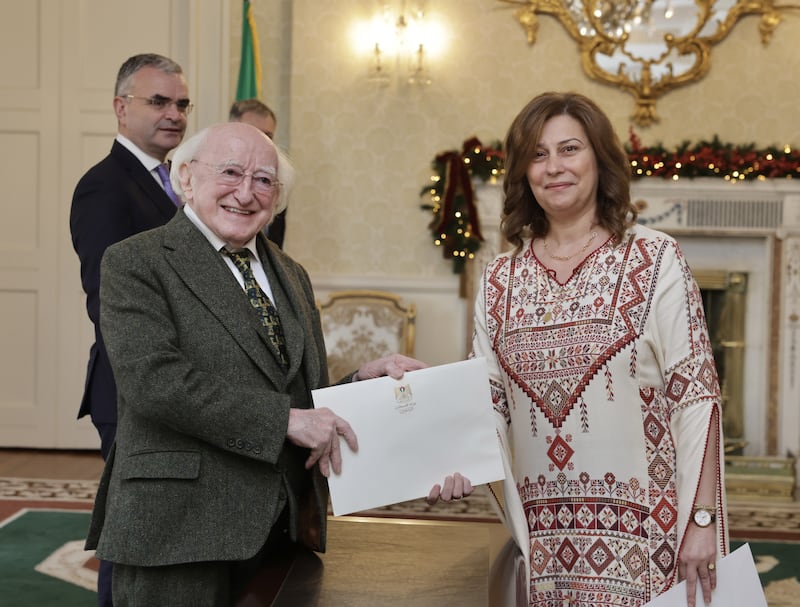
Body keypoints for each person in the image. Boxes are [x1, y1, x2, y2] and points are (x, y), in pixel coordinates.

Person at [84, 121, 427, 606]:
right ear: (186, 178)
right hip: (179, 528)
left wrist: (358, 385)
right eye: (230, 172)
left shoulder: (291, 273)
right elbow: (154, 383)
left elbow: (294, 394)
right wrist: (286, 420)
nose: (246, 193)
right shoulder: (136, 262)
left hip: (280, 523)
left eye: (263, 180)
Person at [428, 92, 728, 607]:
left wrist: (701, 521)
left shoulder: (653, 258)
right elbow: (484, 404)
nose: (554, 167)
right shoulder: (499, 277)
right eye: (538, 155)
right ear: (523, 171)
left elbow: (696, 395)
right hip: (542, 547)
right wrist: (423, 410)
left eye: (569, 149)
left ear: (599, 159)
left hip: (649, 545)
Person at [69, 52, 191, 607]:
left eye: (182, 103)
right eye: (158, 101)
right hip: (134, 387)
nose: (174, 113)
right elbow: (108, 299)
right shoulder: (105, 186)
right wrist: (158, 369)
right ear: (121, 109)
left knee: (168, 528)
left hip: (182, 386)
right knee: (131, 535)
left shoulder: (179, 182)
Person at [229, 98, 286, 249]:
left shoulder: (276, 184)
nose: (260, 142)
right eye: (252, 133)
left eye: (267, 136)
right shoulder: (216, 180)